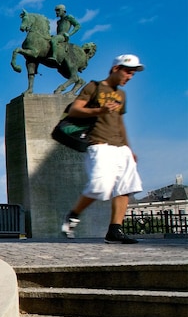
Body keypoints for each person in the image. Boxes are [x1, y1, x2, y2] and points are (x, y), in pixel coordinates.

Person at [61, 54, 144, 244]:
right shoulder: (94, 87)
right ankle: (73, 215)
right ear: (116, 69)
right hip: (99, 144)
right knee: (100, 187)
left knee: (126, 187)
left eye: (133, 74)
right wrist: (100, 110)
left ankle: (114, 230)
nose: (130, 77)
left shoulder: (121, 95)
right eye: (128, 72)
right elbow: (75, 110)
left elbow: (120, 122)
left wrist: (129, 148)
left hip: (120, 147)